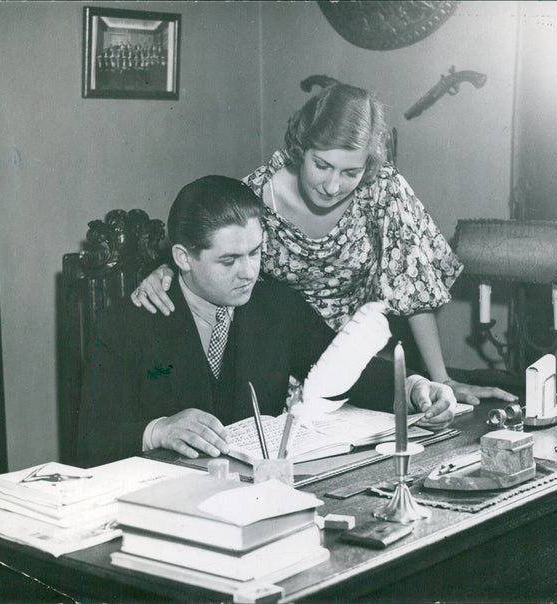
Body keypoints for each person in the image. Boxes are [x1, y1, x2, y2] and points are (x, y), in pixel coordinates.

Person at [131, 83, 516, 406]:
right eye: (323, 166)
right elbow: (209, 250)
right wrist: (164, 270)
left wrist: (441, 377)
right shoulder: (256, 194)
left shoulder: (383, 191)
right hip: (273, 376)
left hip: (359, 366)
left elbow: (413, 291)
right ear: (301, 148)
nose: (333, 187)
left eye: (351, 171)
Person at [78, 175, 456, 467]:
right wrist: (157, 430)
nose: (248, 273)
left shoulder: (276, 306)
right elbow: (92, 440)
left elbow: (345, 370)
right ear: (182, 257)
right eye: (229, 260)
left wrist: (411, 388)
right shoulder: (126, 325)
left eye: (255, 252)